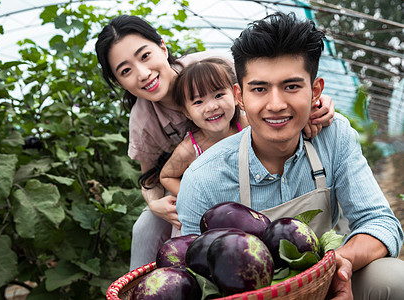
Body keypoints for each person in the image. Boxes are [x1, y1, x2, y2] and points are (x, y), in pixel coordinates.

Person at [176, 12, 404, 299]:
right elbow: (191, 269)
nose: (276, 104)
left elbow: (380, 222)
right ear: (239, 96)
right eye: (259, 89)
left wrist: (339, 264)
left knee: (395, 280)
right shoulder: (204, 176)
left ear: (315, 91)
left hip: (327, 282)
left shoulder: (333, 136)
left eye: (292, 86)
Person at [95, 14, 335, 271]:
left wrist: (317, 104)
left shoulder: (213, 65)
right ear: (119, 82)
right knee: (146, 227)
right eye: (126, 71)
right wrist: (155, 203)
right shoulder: (143, 120)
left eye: (145, 56)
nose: (143, 74)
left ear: (163, 47)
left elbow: (276, 83)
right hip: (190, 190)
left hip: (248, 171)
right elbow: (151, 178)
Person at [159, 58, 250, 196]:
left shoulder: (247, 127)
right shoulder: (189, 150)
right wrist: (197, 199)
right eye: (198, 101)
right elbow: (167, 177)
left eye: (219, 95)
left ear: (235, 95)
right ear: (187, 112)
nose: (212, 107)